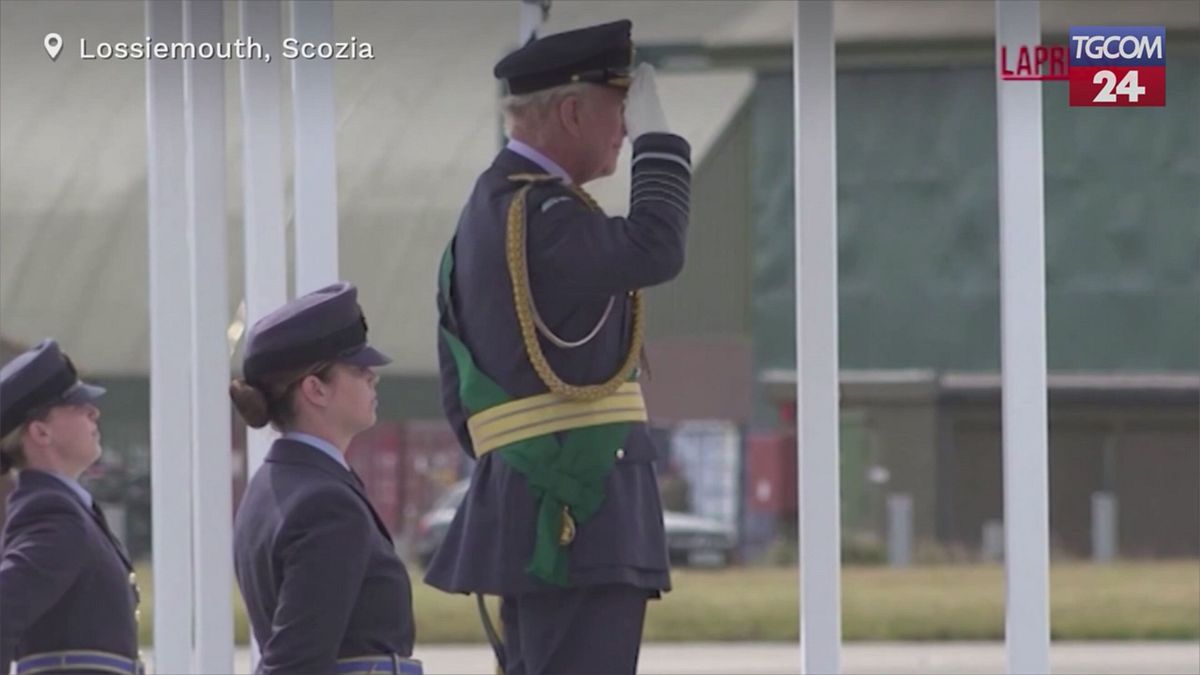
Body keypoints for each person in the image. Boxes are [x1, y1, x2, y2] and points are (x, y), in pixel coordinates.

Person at [424, 18, 691, 675]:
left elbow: (464, 399)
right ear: (571, 110)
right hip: (577, 517)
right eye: (621, 111)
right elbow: (656, 245)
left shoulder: (496, 212)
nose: (624, 132)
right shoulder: (539, 217)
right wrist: (663, 142)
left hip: (546, 506)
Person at [230, 282, 420, 675]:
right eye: (357, 369)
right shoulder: (324, 503)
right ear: (315, 389)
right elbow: (295, 663)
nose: (374, 377)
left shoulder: (275, 486)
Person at [0, 339, 142, 675]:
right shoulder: (52, 512)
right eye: (76, 405)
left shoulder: (66, 508)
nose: (94, 411)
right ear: (40, 432)